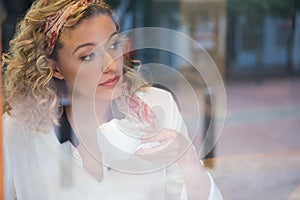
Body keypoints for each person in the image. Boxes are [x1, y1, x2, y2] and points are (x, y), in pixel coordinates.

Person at [2, 0, 222, 199]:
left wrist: (187, 159)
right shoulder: (20, 132)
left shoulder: (158, 108)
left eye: (113, 45)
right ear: (55, 67)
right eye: (88, 56)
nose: (111, 65)